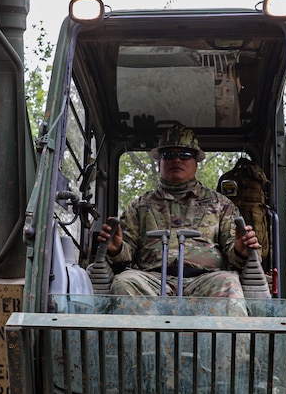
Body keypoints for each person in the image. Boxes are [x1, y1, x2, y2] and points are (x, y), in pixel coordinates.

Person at [98, 124, 261, 308]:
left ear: (196, 162)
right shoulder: (140, 206)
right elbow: (126, 256)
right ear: (159, 162)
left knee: (229, 284)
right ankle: (146, 338)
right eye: (168, 155)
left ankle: (223, 339)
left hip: (206, 280)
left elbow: (235, 253)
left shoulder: (221, 205)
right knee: (124, 283)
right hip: (151, 280)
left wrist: (241, 250)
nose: (177, 160)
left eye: (185, 155)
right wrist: (116, 248)